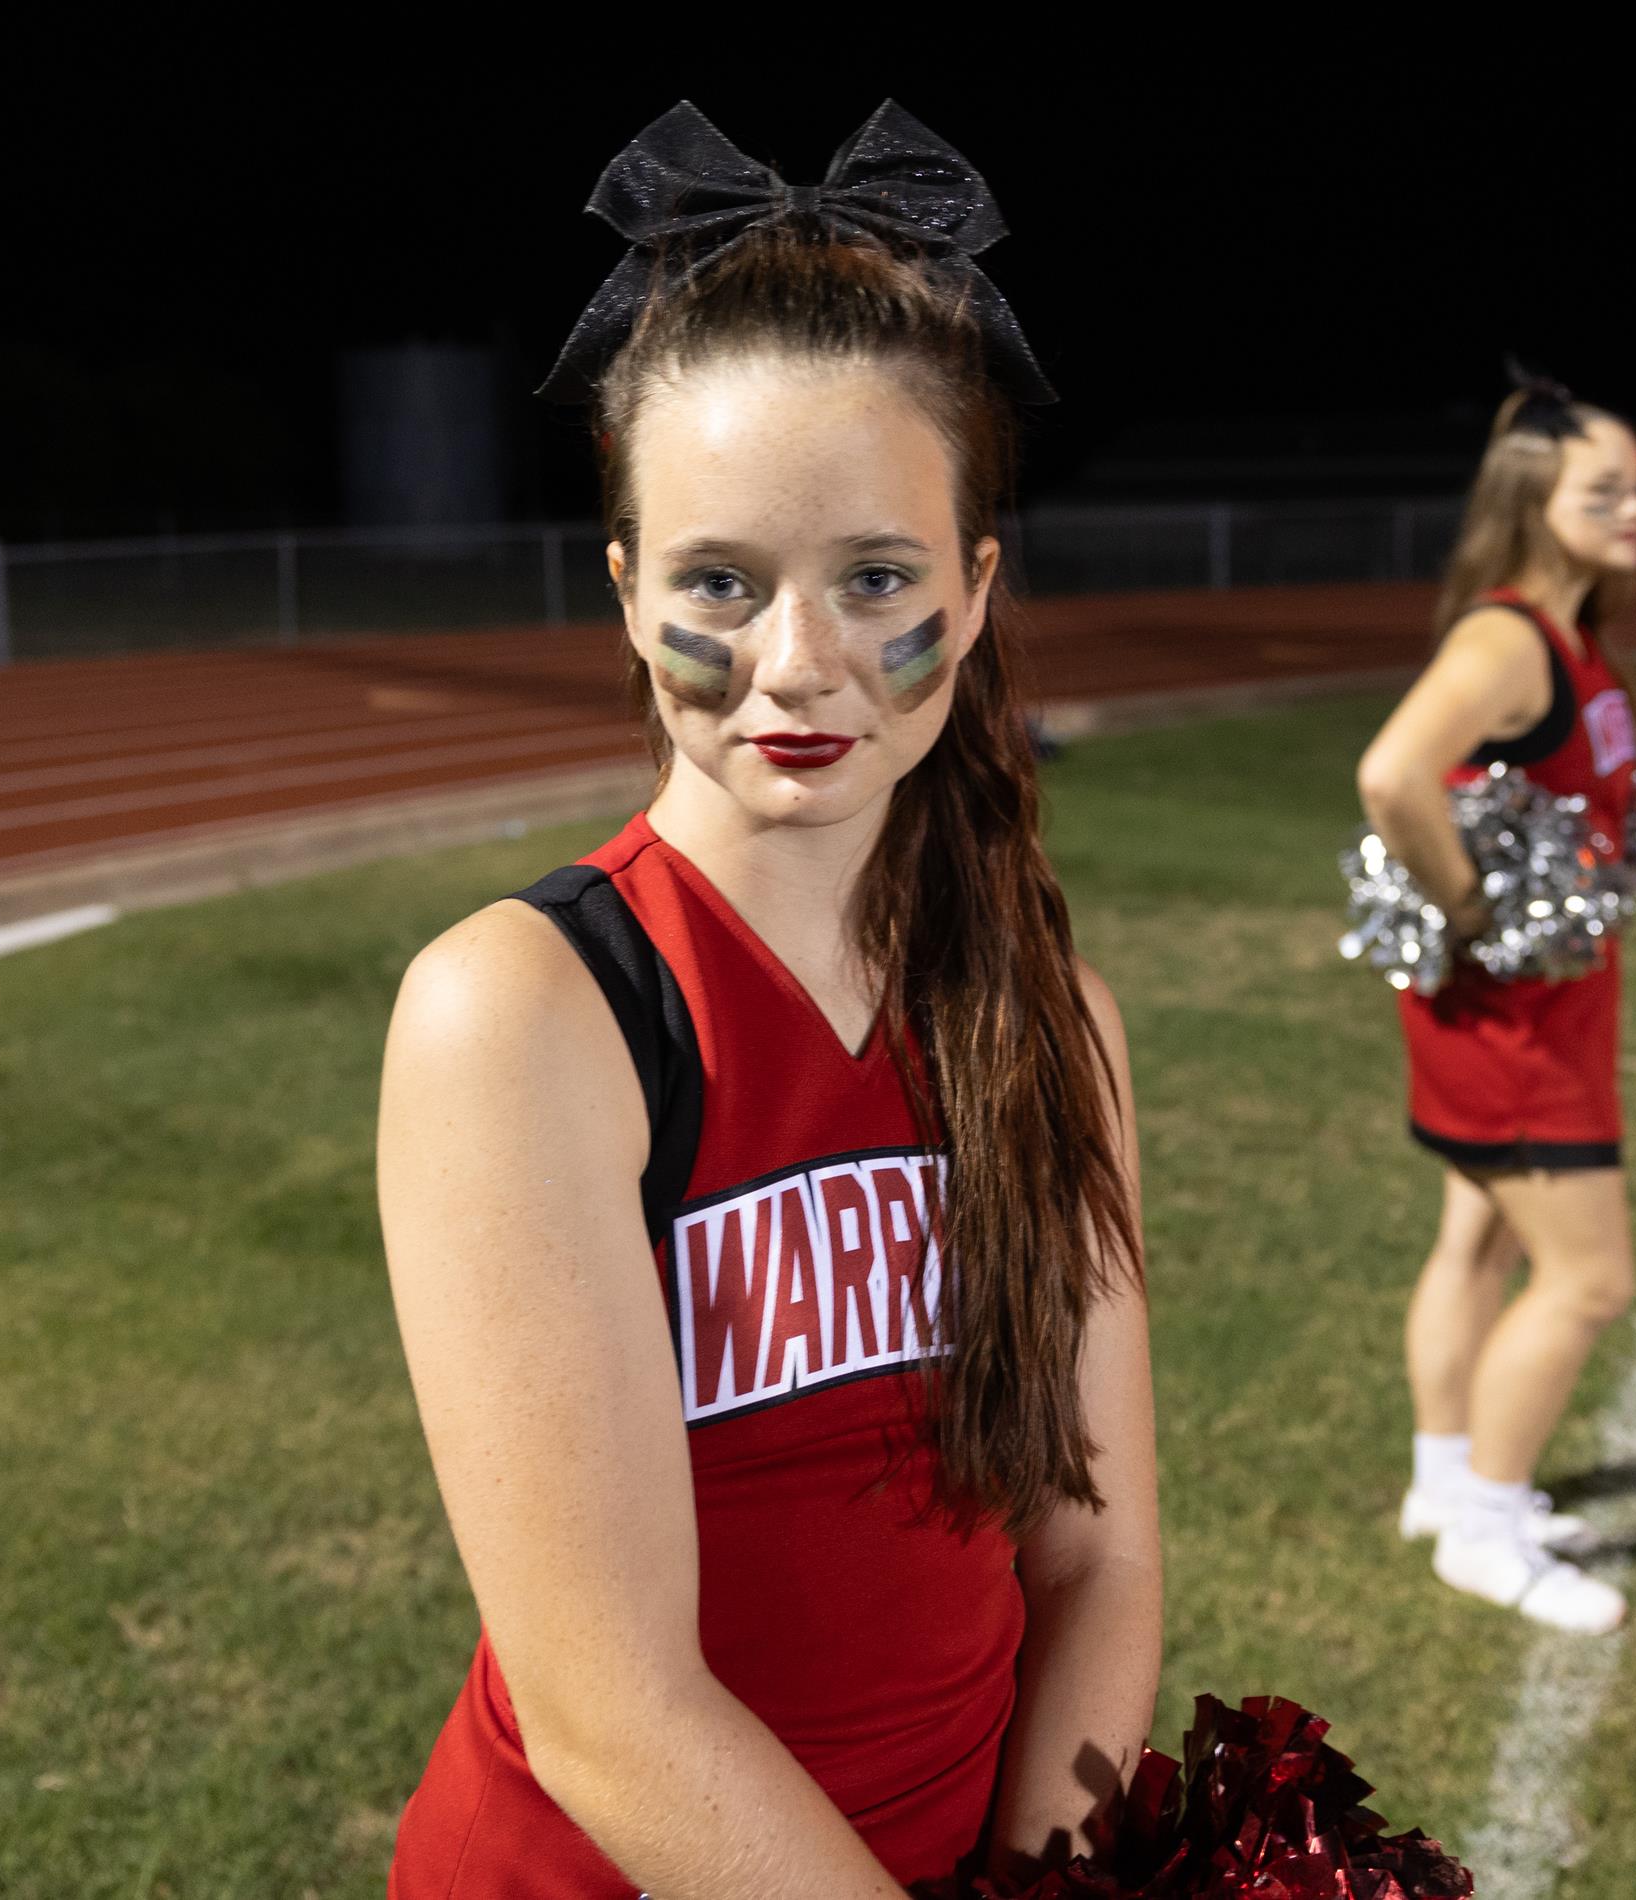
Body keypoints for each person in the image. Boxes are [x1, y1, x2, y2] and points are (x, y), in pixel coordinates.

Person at [377, 103, 1162, 1899]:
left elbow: (1094, 1565)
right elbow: (611, 1712)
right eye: (719, 580)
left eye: (874, 577)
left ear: (970, 599)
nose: (795, 663)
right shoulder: (524, 1014)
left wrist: (1046, 1882)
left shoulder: (1053, 1021)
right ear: (625, 594)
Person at [1356, 374, 1636, 1633]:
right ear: (1536, 503)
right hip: (1516, 1021)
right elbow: (1392, 774)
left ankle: (1446, 1482)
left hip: (1542, 1011)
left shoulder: (1570, 634)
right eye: (1607, 491)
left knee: (1477, 1238)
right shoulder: (1509, 637)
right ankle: (1486, 1522)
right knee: (1587, 1279)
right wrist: (1476, 914)